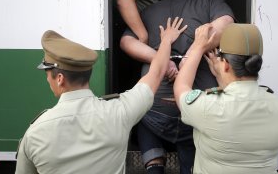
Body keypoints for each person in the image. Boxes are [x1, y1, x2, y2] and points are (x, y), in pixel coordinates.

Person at [15, 17, 187, 174]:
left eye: (47, 75)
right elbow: (156, 73)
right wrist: (166, 40)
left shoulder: (35, 133)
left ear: (60, 79)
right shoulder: (119, 111)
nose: (47, 80)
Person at [120, 0, 235, 174]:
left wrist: (161, 59)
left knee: (144, 117)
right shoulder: (210, 2)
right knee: (191, 135)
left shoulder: (150, 10)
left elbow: (126, 42)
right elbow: (226, 24)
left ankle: (154, 166)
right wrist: (192, 54)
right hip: (195, 110)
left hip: (155, 111)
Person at [174, 23, 278, 174]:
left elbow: (181, 87)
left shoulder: (210, 107)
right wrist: (222, 76)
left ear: (226, 64)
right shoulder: (275, 104)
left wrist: (198, 46)